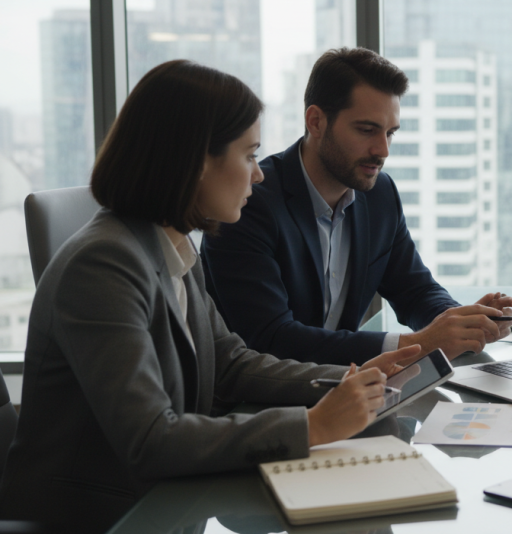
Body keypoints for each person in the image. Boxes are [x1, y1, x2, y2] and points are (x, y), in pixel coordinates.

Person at [0, 60, 420, 533]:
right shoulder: (103, 266)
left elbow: (232, 363)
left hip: (169, 503)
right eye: (248, 156)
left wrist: (353, 382)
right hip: (101, 518)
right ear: (197, 160)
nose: (259, 176)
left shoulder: (173, 244)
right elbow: (151, 438)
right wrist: (315, 426)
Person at [201, 47, 512, 366]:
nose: (382, 150)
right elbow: (270, 338)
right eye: (366, 130)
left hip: (349, 393)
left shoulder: (379, 193)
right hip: (263, 402)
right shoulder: (249, 200)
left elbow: (415, 289)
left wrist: (462, 324)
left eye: (390, 133)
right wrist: (418, 344)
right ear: (316, 122)